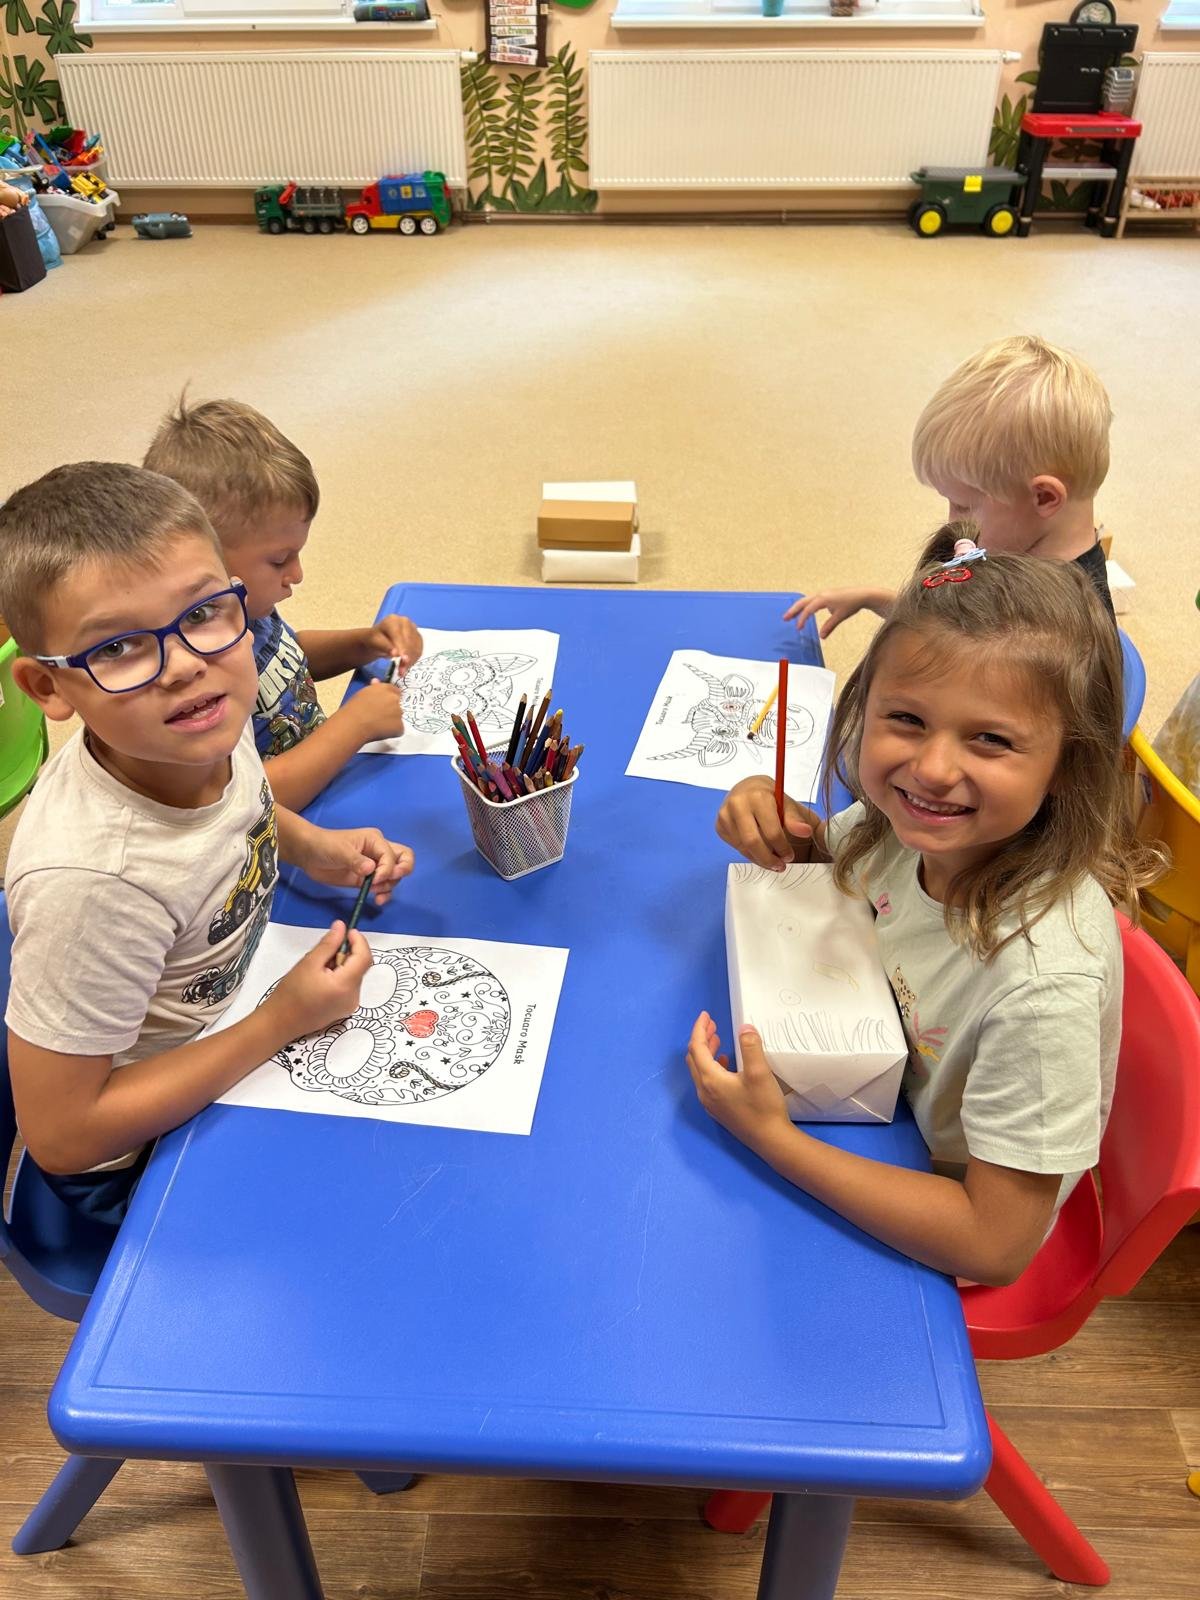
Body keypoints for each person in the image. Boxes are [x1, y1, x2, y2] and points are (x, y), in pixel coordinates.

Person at [690, 538, 1159, 1287]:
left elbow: (994, 1247)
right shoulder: (905, 824)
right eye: (906, 719)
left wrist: (773, 1138)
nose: (933, 769)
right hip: (879, 1094)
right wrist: (771, 815)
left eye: (991, 739)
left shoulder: (1042, 989)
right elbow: (838, 868)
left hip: (939, 1203)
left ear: (1068, 764)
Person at [0, 462, 414, 1226]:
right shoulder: (94, 883)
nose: (186, 664)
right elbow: (62, 1136)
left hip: (233, 1015)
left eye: (202, 613)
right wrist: (279, 1021)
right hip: (140, 1160)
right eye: (118, 647)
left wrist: (311, 846)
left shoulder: (200, 724)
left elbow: (239, 805)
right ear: (49, 687)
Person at [144, 395, 424, 810]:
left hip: (331, 786)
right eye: (279, 560)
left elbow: (286, 657)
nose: (297, 574)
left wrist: (365, 644)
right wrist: (354, 725)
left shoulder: (245, 608)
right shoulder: (193, 671)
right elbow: (243, 802)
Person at [786, 336, 1116, 640]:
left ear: (1044, 497)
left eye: (962, 505)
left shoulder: (1050, 633)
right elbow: (954, 623)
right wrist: (874, 598)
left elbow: (961, 650)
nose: (952, 520)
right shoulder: (1021, 553)